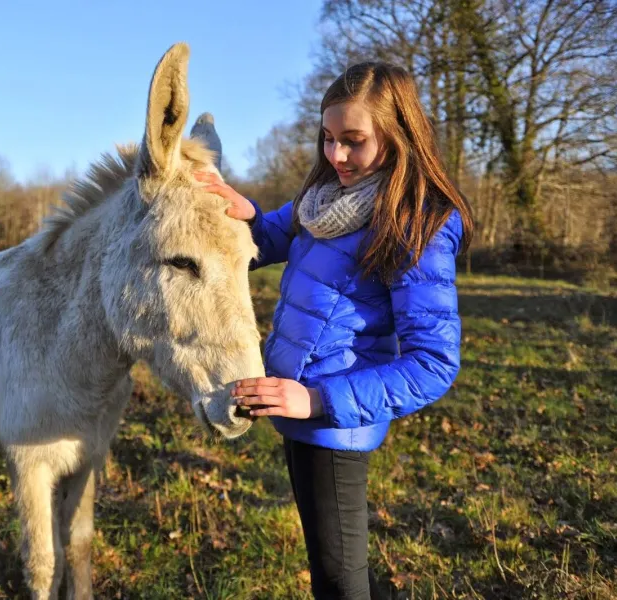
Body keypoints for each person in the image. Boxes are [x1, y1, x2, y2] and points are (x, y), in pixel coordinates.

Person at [195, 62, 474, 600]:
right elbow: (271, 238)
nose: (336, 155)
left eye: (354, 141)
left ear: (398, 136)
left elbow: (433, 364)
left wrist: (317, 400)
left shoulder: (415, 224)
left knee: (339, 584)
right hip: (295, 410)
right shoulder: (323, 200)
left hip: (331, 424)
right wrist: (246, 215)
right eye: (327, 138)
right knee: (339, 571)